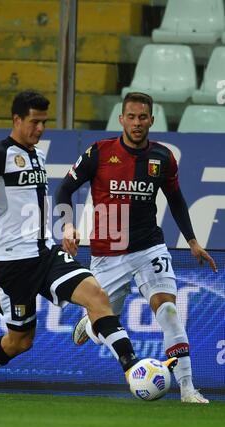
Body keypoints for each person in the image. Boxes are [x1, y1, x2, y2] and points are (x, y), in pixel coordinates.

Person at [0, 89, 162, 398]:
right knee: (20, 342)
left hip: (46, 253)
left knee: (97, 296)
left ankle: (132, 367)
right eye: (35, 122)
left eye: (44, 122)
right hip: (12, 263)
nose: (41, 129)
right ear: (16, 120)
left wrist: (65, 228)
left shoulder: (37, 154)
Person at [56, 92, 217, 404]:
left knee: (169, 311)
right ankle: (90, 327)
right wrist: (66, 225)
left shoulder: (163, 158)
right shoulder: (98, 152)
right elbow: (64, 189)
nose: (137, 123)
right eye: (131, 116)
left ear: (151, 120)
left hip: (149, 249)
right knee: (103, 318)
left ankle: (187, 389)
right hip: (107, 254)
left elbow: (176, 200)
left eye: (143, 117)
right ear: (121, 119)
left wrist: (193, 241)